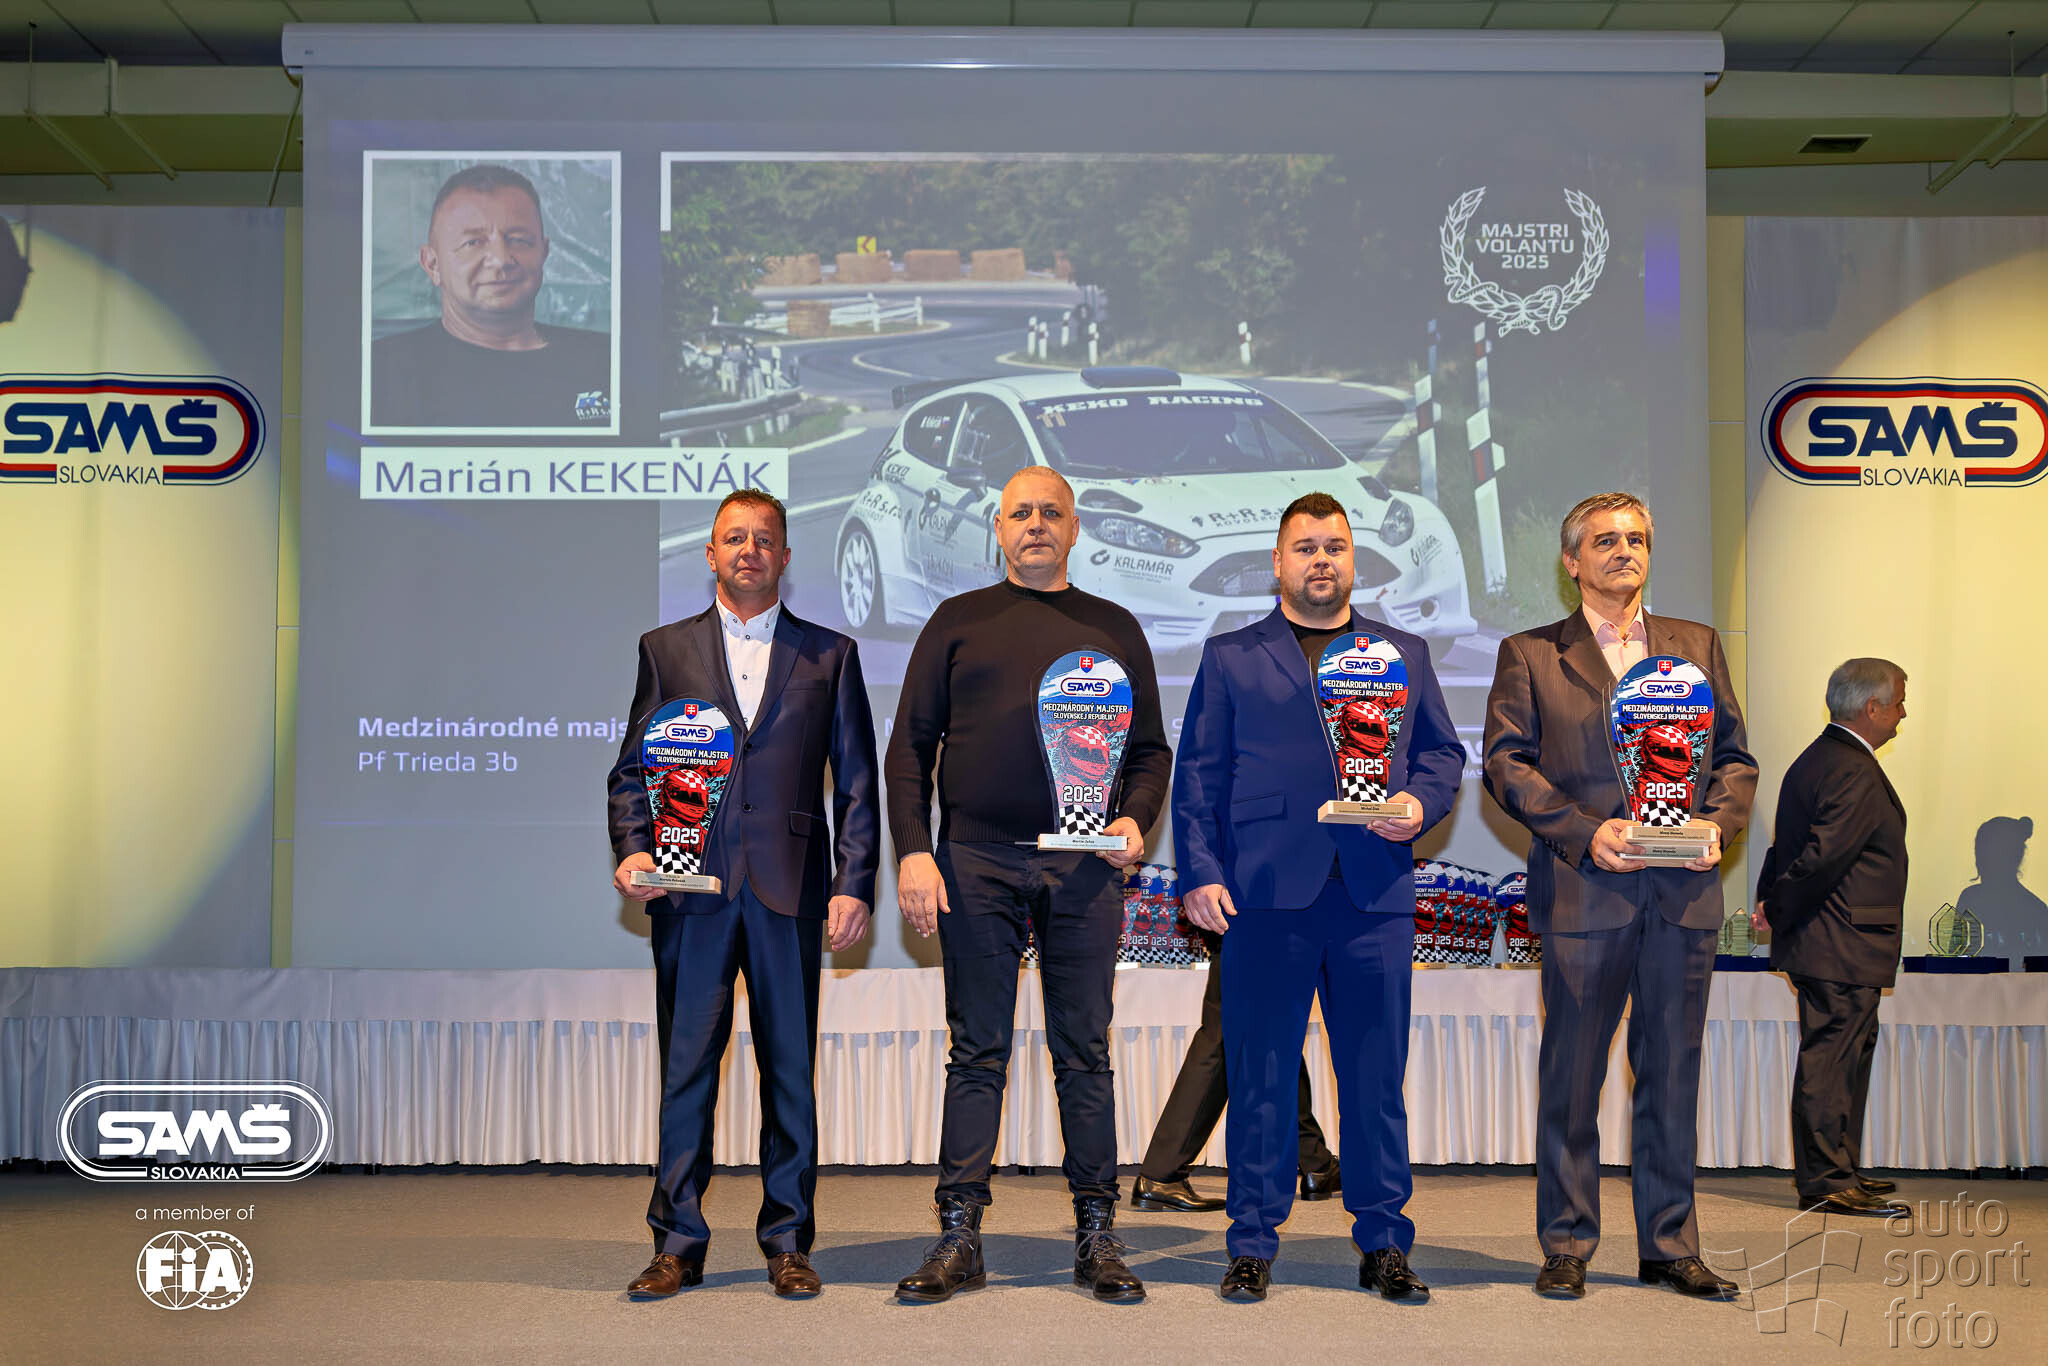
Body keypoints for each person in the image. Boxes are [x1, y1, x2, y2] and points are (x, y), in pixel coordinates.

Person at [886, 465, 1172, 1305]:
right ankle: (959, 1235)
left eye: (1051, 512)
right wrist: (913, 851)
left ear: (1075, 528)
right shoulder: (956, 621)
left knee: (1084, 1051)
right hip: (974, 863)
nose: (1036, 524)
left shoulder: (1113, 627)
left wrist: (1136, 819)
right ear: (999, 528)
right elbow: (908, 749)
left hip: (1083, 867)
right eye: (1021, 513)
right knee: (976, 1050)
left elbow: (1149, 751)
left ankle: (1096, 1235)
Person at [1173, 492, 1463, 1303]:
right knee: (1261, 1077)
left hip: (1374, 891)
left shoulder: (1403, 653)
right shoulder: (1231, 656)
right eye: (1305, 548)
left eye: (1335, 546)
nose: (1321, 560)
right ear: (1278, 562)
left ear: (1353, 560)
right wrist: (1199, 871)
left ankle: (1384, 1241)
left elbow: (1441, 755)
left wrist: (1419, 804)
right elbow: (1198, 775)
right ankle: (1252, 1242)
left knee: (1375, 1080)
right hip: (1265, 894)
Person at [1482, 491, 1756, 1303]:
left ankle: (1669, 1246)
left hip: (1681, 894)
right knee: (1572, 1079)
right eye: (1604, 541)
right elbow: (1505, 764)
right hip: (1584, 891)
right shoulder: (1531, 654)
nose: (1623, 551)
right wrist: (1582, 829)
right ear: (1572, 561)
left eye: (1636, 538)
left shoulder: (1696, 646)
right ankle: (1566, 1243)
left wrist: (1717, 824)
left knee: (1671, 1076)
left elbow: (1735, 760)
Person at [607, 488, 880, 1301]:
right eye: (735, 538)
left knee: (790, 1072)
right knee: (686, 1070)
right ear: (711, 553)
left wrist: (854, 882)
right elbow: (632, 771)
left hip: (790, 890)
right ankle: (676, 1243)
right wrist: (633, 847)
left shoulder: (831, 654)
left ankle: (789, 1241)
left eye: (764, 539)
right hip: (689, 889)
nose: (749, 550)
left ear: (785, 556)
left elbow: (857, 784)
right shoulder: (665, 650)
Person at [1755, 658, 1911, 1218]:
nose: (1903, 713)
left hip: (1836, 940)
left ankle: (1840, 1169)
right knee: (1832, 1061)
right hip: (1840, 942)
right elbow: (1821, 858)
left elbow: (1786, 847)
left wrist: (1772, 900)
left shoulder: (1822, 758)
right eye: (1898, 702)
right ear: (1871, 707)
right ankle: (1826, 1180)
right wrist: (1777, 907)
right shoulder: (1849, 767)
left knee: (1844, 1058)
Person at [371, 162, 610, 428]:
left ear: (543, 254)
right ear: (432, 264)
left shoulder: (610, 362)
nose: (501, 259)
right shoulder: (379, 374)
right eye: (473, 242)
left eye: (518, 240)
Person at [1128, 946, 1340, 1214]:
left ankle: (1315, 1161)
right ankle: (1161, 1173)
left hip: (1253, 930)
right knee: (1225, 1038)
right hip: (1261, 930)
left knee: (1275, 1035)